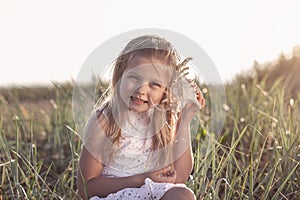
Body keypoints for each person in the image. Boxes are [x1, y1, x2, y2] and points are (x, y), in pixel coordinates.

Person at [77, 35, 205, 200]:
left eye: (155, 84)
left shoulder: (166, 121)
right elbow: (86, 188)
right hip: (115, 195)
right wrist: (142, 179)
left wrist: (185, 120)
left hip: (152, 194)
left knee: (183, 195)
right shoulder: (105, 120)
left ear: (166, 90)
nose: (141, 90)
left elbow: (179, 177)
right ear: (119, 75)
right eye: (134, 77)